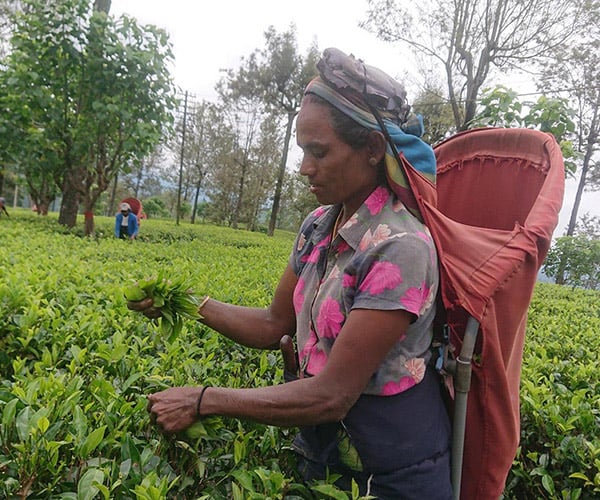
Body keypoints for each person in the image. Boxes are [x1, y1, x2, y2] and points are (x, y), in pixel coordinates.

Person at [128, 48, 452, 499]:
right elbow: (273, 324)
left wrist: (203, 399)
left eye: (319, 152)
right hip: (324, 452)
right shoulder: (320, 225)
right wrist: (184, 303)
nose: (305, 168)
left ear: (374, 149)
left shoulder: (401, 248)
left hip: (392, 472)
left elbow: (332, 394)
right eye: (302, 151)